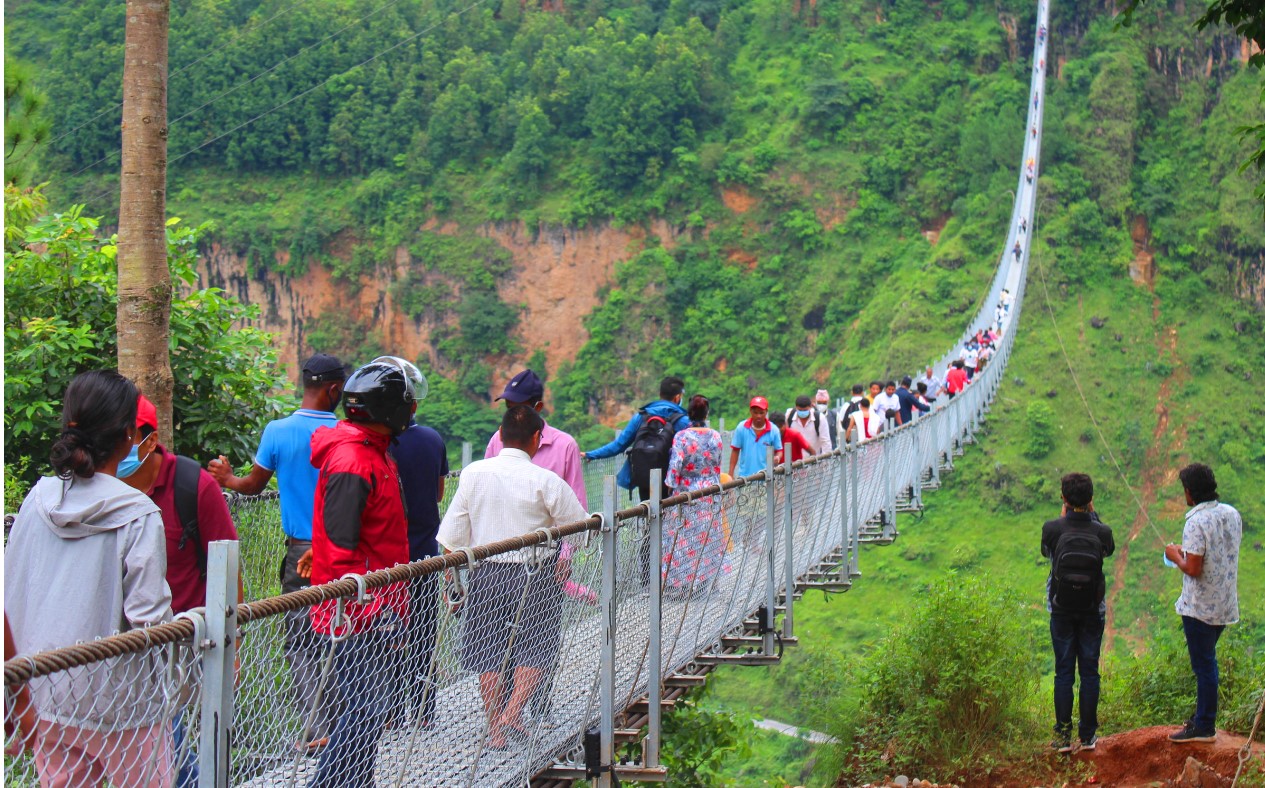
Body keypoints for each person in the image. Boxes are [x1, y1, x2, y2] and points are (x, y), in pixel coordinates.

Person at [5, 370, 174, 787]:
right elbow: (149, 618)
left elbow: (13, 590)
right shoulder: (137, 512)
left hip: (45, 693)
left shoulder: (36, 498)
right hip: (123, 706)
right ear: (128, 435)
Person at [208, 352, 346, 751]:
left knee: (302, 640)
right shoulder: (345, 433)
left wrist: (225, 477)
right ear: (334, 389)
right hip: (343, 548)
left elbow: (252, 485)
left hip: (300, 552)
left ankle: (316, 729)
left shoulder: (277, 431)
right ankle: (343, 724)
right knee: (340, 629)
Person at [438, 405, 589, 749]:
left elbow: (452, 535)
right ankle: (512, 712)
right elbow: (579, 530)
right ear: (537, 438)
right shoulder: (545, 481)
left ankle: (494, 730)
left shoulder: (474, 474)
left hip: (484, 573)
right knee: (536, 646)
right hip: (535, 575)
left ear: (501, 435)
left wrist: (453, 581)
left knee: (488, 650)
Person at [121, 394, 241, 787]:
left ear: (148, 440)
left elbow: (228, 561)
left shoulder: (192, 486)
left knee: (166, 745)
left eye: (124, 437)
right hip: (115, 646)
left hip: (181, 645)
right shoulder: (101, 487)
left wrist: (232, 645)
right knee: (161, 751)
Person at [306, 360, 414, 788]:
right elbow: (338, 548)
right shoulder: (355, 460)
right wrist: (360, 610)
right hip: (359, 609)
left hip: (375, 600)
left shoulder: (372, 452)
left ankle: (356, 781)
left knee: (368, 708)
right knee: (364, 708)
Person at [484, 368, 588, 715]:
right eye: (508, 405)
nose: (512, 412)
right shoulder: (497, 441)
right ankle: (509, 709)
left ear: (538, 407)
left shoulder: (564, 445)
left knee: (542, 629)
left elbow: (577, 502)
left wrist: (567, 552)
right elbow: (485, 488)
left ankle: (537, 703)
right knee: (502, 634)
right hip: (501, 550)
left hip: (546, 552)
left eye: (519, 405)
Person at [372, 357, 448, 731]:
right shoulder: (432, 439)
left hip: (381, 561)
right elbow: (437, 493)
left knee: (382, 634)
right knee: (421, 632)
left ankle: (387, 713)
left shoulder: (375, 445)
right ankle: (422, 710)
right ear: (413, 403)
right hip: (423, 553)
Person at [1164, 463, 1242, 744]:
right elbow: (1217, 554)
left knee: (1204, 666)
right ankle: (1201, 719)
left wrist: (1175, 555)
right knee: (1208, 661)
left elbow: (1193, 568)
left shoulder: (1195, 522)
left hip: (1199, 607)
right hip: (1224, 603)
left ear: (1189, 491)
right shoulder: (1231, 514)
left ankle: (1204, 726)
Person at [1040, 473, 1114, 753]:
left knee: (1063, 672)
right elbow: (1106, 551)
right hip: (1092, 609)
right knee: (1089, 671)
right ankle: (1088, 736)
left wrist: (1063, 518)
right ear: (1091, 499)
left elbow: (1048, 553)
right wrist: (1093, 517)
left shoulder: (1052, 528)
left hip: (1060, 608)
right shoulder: (1102, 531)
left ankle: (1062, 737)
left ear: (1063, 498)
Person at [582, 376, 688, 503]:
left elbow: (618, 445)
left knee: (649, 515)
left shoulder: (641, 417)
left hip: (644, 479)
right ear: (677, 398)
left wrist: (591, 454)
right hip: (672, 482)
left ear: (660, 394)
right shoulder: (683, 421)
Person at [663, 395, 728, 597]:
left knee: (682, 543)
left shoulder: (682, 437)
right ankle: (704, 584)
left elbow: (675, 469)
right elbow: (717, 466)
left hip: (686, 497)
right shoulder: (716, 437)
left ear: (688, 413)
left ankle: (683, 585)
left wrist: (669, 491)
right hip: (709, 494)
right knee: (707, 540)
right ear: (707, 414)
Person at [728, 396, 783, 478]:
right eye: (755, 413)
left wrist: (777, 457)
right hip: (745, 478)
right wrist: (730, 474)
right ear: (750, 411)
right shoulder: (742, 428)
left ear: (766, 412)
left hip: (766, 477)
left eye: (761, 413)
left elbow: (779, 450)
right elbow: (735, 451)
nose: (758, 416)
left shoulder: (773, 430)